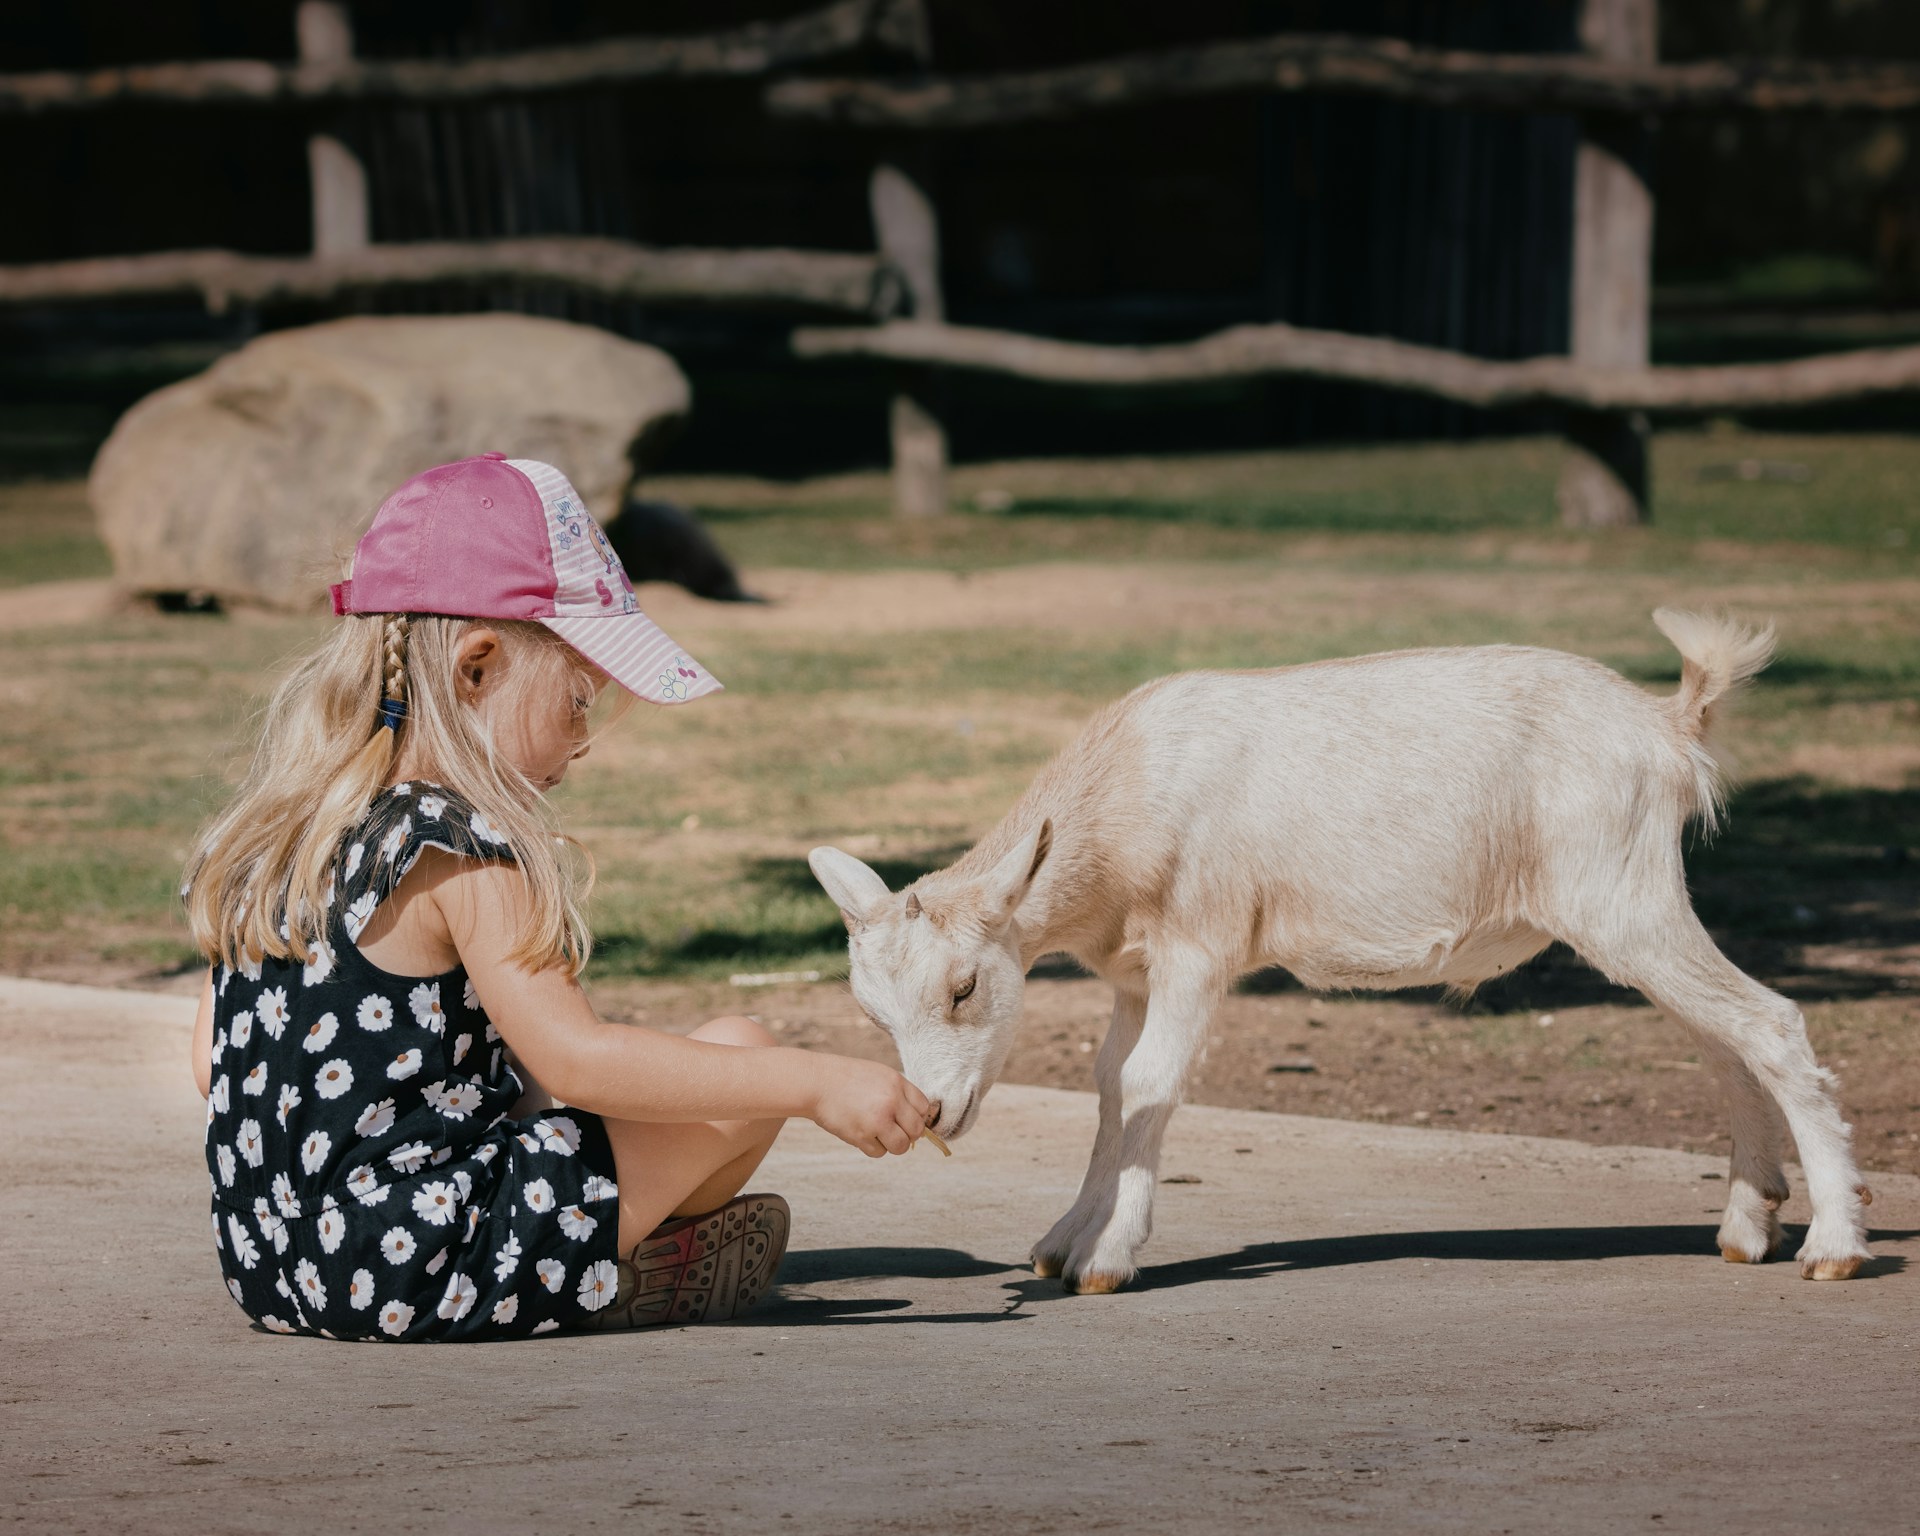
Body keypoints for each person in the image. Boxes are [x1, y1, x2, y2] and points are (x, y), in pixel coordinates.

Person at [182, 453, 932, 1340]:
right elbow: (578, 1058)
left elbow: (212, 1067)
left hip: (274, 1268)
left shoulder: (277, 834)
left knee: (571, 1089)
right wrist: (811, 1082)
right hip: (421, 1270)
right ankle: (612, 1271)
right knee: (740, 1054)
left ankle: (609, 1256)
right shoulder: (455, 841)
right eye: (580, 701)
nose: (583, 746)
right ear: (477, 667)